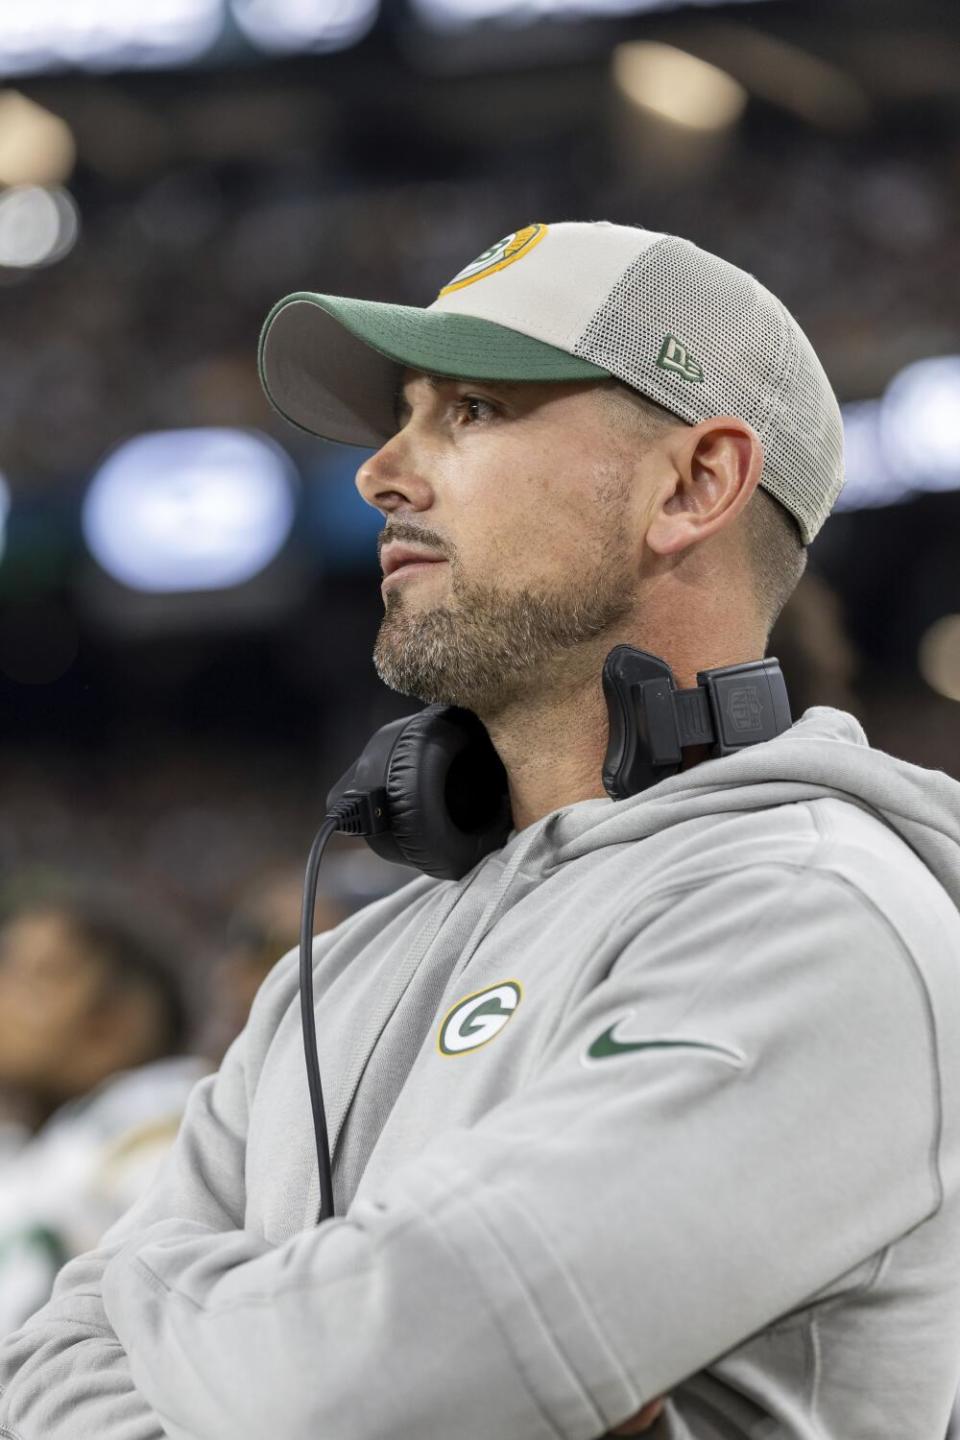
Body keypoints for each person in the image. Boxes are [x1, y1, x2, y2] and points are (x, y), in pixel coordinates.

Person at [3, 220, 960, 1439]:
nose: (380, 471)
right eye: (404, 413)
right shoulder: (336, 976)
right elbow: (41, 1377)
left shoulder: (819, 918)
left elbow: (366, 1388)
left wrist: (138, 1286)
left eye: (471, 412)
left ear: (693, 485)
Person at [0, 883, 209, 1336]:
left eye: (37, 975)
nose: (5, 994)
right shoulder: (47, 1140)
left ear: (113, 1023)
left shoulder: (156, 1120)